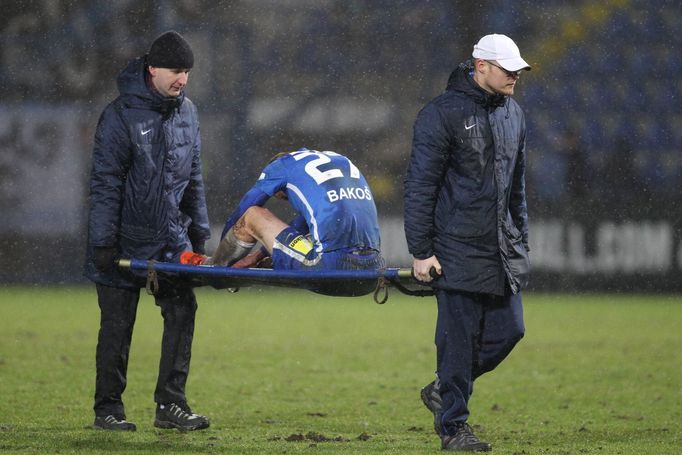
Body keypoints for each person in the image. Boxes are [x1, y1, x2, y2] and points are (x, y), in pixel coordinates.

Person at [403, 34, 531, 451]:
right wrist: (422, 251)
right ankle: (454, 428)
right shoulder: (440, 114)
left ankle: (443, 389)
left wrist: (520, 240)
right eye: (506, 67)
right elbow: (420, 186)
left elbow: (517, 189)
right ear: (480, 66)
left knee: (510, 330)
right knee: (456, 346)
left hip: (499, 251)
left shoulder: (514, 114)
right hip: (455, 250)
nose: (515, 74)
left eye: (516, 68)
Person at [84, 31, 211, 432]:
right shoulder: (119, 115)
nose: (183, 80)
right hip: (123, 242)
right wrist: (104, 242)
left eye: (187, 72)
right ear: (152, 69)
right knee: (118, 327)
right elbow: (105, 183)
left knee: (182, 311)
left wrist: (200, 236)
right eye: (176, 70)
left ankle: (170, 405)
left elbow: (193, 180)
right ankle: (108, 409)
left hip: (169, 243)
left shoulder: (188, 112)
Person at [185, 148, 383, 296]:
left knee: (254, 214)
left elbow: (243, 210)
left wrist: (224, 254)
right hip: (373, 271)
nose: (286, 200)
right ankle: (262, 260)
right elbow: (308, 220)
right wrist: (258, 255)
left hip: (332, 268)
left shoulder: (280, 167)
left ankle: (215, 268)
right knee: (304, 235)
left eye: (283, 196)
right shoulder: (339, 159)